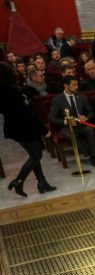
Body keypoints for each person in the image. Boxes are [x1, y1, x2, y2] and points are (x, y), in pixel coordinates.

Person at [1, 62, 56, 197]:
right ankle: (18, 181)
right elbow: (26, 115)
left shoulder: (2, 91)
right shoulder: (12, 91)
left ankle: (42, 182)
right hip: (25, 127)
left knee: (33, 155)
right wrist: (43, 129)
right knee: (37, 155)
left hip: (13, 127)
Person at [48, 75, 95, 167]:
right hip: (66, 127)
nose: (77, 87)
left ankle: (93, 156)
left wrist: (85, 118)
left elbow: (91, 112)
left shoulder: (81, 96)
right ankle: (89, 154)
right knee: (70, 134)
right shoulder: (57, 100)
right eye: (74, 85)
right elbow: (52, 118)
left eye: (77, 85)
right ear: (66, 86)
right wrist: (66, 121)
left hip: (81, 125)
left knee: (89, 130)